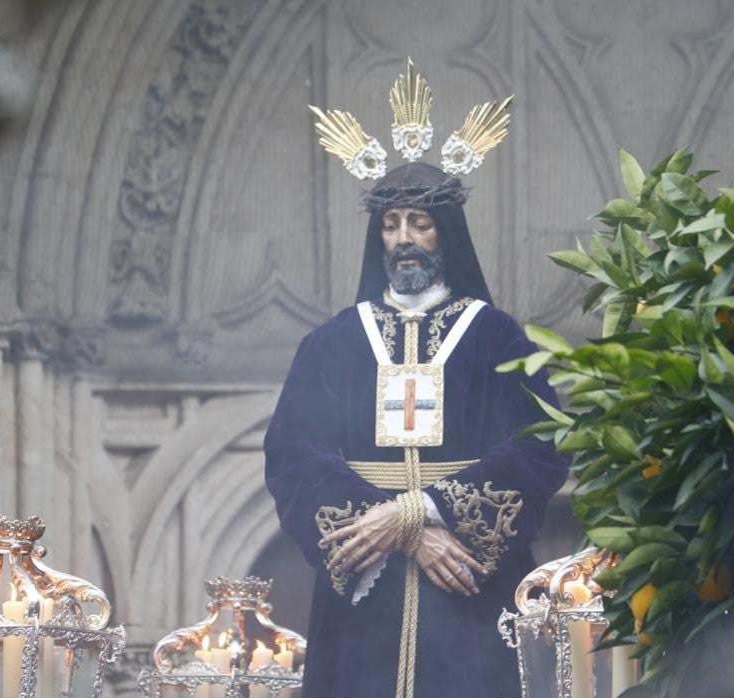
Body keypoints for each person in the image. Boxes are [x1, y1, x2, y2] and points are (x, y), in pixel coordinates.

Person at [264, 61, 569, 698]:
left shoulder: (497, 336)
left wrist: (420, 515)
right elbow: (293, 455)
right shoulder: (332, 344)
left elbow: (542, 444)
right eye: (391, 224)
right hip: (362, 598)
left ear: (447, 235)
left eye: (420, 224)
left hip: (466, 582)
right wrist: (385, 528)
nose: (405, 239)